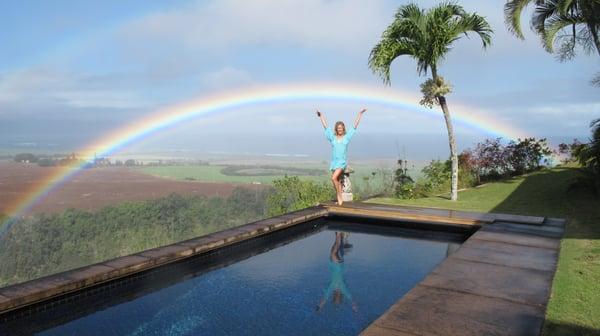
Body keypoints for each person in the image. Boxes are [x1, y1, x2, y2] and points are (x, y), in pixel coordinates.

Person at [316, 108, 367, 205]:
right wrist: (321, 115)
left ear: (343, 129)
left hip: (341, 163)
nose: (340, 129)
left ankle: (339, 198)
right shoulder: (333, 138)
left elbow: (354, 126)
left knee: (334, 178)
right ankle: (340, 198)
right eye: (338, 128)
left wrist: (360, 113)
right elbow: (326, 127)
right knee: (337, 181)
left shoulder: (347, 137)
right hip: (334, 162)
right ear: (336, 129)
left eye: (341, 128)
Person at [316, 232, 358, 313]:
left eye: (335, 298)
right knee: (336, 247)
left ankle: (341, 235)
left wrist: (319, 307)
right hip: (337, 264)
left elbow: (324, 298)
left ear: (335, 296)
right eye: (337, 298)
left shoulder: (332, 288)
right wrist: (354, 307)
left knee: (336, 246)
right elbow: (351, 300)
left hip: (337, 264)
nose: (336, 296)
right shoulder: (342, 289)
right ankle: (340, 234)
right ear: (338, 296)